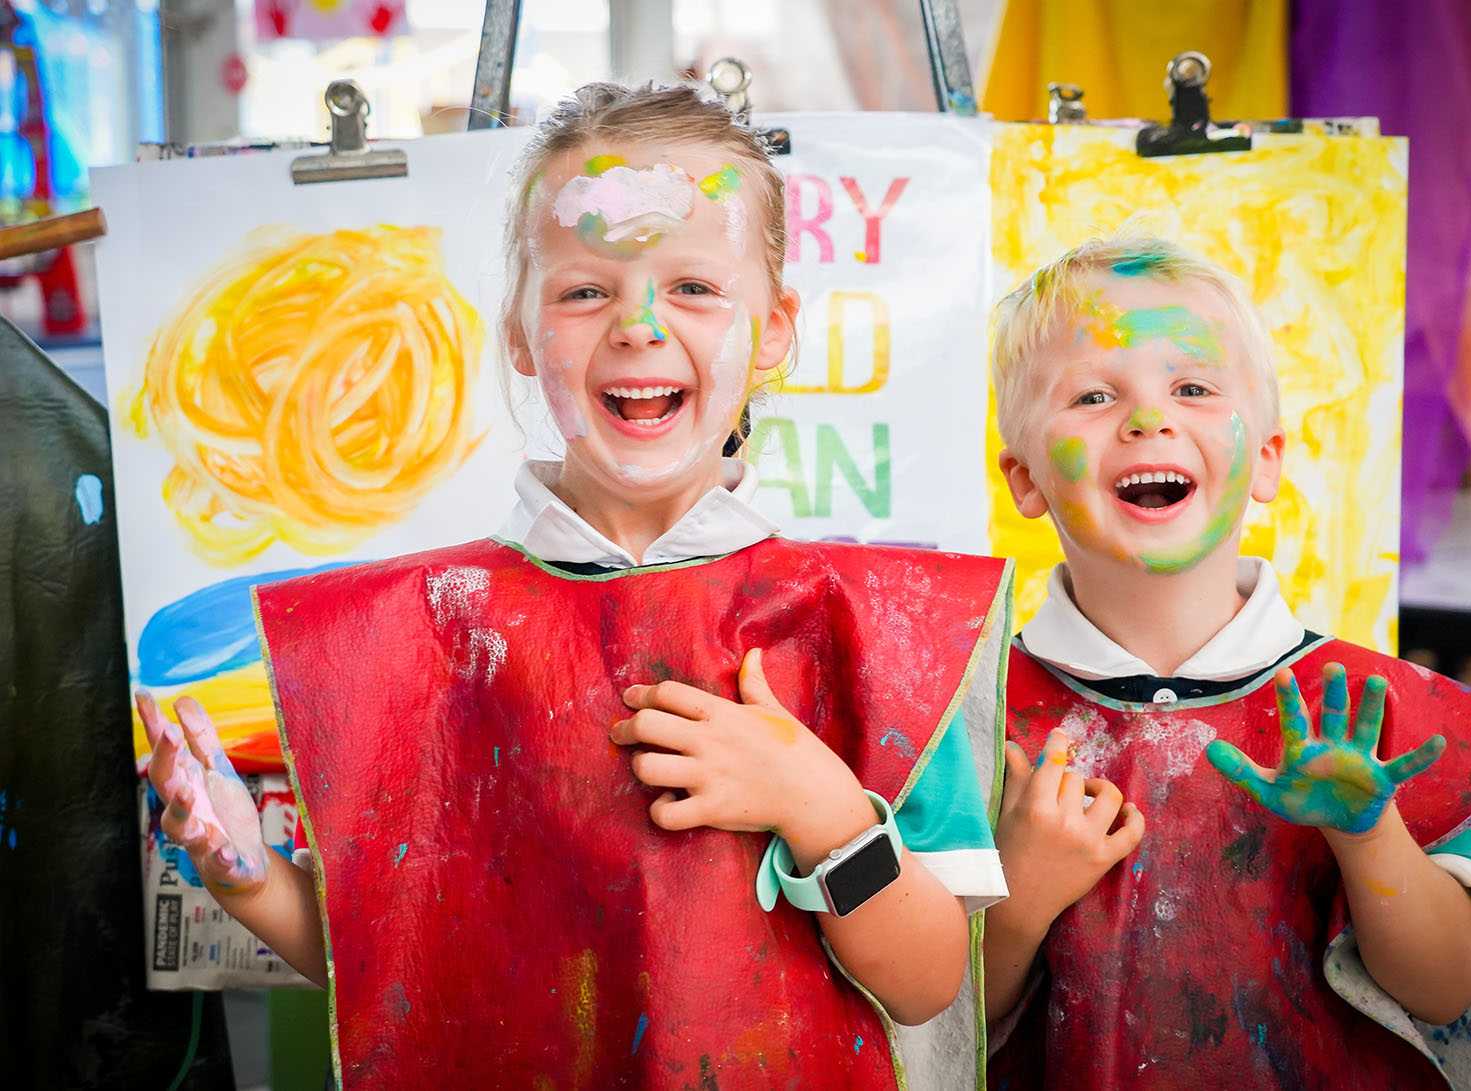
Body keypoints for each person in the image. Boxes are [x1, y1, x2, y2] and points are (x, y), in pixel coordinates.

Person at [138, 82, 1011, 1088]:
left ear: (772, 329)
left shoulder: (881, 627)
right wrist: (249, 875)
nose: (638, 324)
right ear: (518, 332)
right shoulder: (408, 632)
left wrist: (820, 807)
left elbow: (926, 981)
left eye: (692, 287)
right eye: (585, 291)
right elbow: (401, 972)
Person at [981, 235, 1471, 1090]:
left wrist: (1368, 837)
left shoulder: (1369, 712)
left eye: (1193, 388)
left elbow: (1445, 992)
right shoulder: (968, 721)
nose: (1147, 419)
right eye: (1096, 395)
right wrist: (1017, 901)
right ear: (1025, 479)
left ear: (1268, 460)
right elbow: (922, 1030)